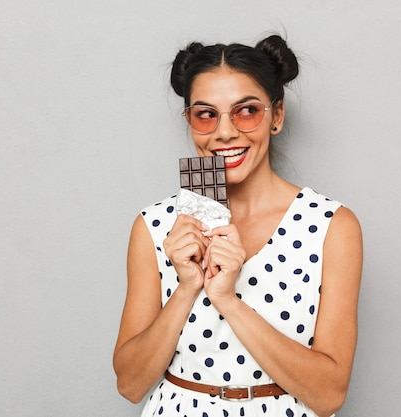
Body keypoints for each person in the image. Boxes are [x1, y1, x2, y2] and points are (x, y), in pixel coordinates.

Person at [113, 34, 363, 417]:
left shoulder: (332, 226)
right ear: (190, 122)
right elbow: (130, 385)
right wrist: (187, 288)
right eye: (206, 114)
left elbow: (329, 396)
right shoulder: (155, 226)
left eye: (247, 111)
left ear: (276, 116)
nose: (225, 132)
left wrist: (227, 299)